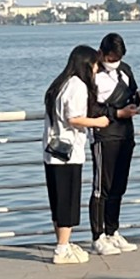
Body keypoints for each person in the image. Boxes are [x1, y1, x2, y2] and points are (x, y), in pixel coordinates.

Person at [44, 45, 111, 264]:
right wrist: (98, 122)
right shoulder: (77, 85)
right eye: (94, 64)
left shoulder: (60, 83)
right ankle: (62, 249)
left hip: (53, 150)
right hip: (68, 152)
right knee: (68, 200)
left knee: (58, 200)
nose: (95, 69)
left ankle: (62, 243)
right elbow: (74, 118)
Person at [88, 33, 140, 255]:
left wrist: (138, 99)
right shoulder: (91, 72)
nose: (114, 62)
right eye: (111, 58)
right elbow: (89, 107)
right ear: (101, 53)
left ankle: (113, 231)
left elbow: (132, 92)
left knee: (119, 186)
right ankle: (98, 235)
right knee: (101, 186)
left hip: (125, 134)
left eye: (118, 58)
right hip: (104, 135)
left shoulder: (125, 71)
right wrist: (116, 113)